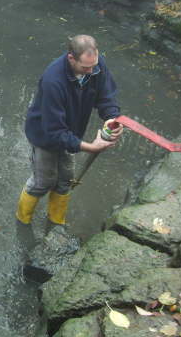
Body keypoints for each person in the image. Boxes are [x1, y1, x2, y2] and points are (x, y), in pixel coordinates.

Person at [16, 35, 123, 226]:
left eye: (94, 65)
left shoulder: (95, 65)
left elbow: (106, 96)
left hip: (70, 132)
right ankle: (22, 220)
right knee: (43, 182)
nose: (91, 71)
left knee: (65, 180)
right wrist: (90, 147)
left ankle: (56, 221)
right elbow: (55, 131)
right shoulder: (53, 81)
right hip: (45, 136)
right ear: (71, 58)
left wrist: (111, 118)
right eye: (85, 68)